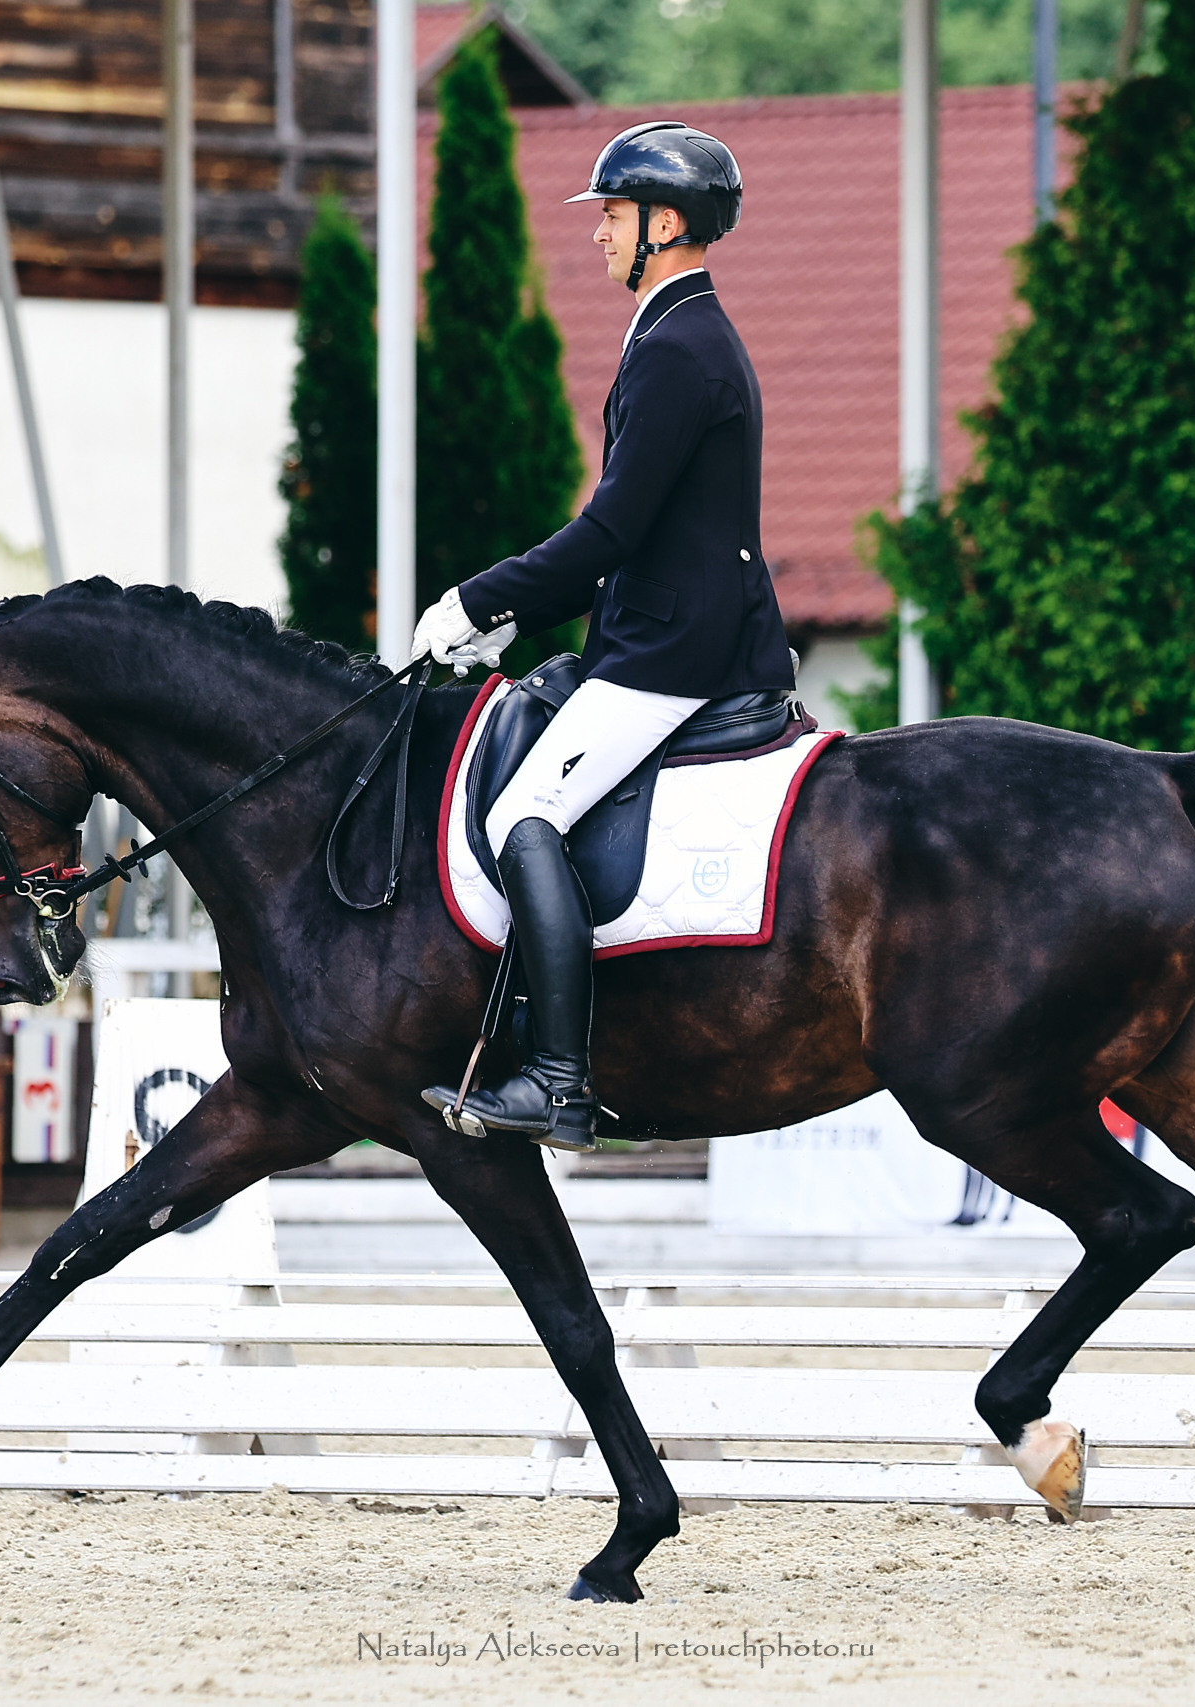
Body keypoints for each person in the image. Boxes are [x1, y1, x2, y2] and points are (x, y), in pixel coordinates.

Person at [414, 121, 793, 1152]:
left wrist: (480, 601)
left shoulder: (678, 348)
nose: (598, 237)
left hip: (675, 653)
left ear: (664, 225)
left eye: (613, 217)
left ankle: (559, 1079)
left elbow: (610, 533)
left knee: (524, 814)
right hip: (660, 631)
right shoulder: (679, 334)